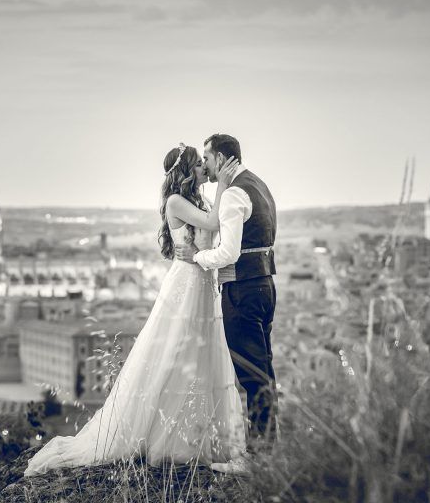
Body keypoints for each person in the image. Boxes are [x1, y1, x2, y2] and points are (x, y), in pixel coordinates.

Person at [23, 143, 245, 477]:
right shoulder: (176, 202)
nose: (203, 167)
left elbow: (210, 229)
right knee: (176, 351)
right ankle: (169, 439)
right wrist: (226, 183)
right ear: (185, 171)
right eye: (198, 163)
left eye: (204, 162)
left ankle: (198, 438)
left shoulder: (194, 200)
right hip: (186, 283)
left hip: (200, 281)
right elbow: (214, 222)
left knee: (197, 355)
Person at [176, 133, 278, 475]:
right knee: (264, 372)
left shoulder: (235, 193)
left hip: (242, 290)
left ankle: (257, 459)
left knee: (252, 377)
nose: (204, 165)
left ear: (220, 158)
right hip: (265, 286)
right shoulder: (259, 185)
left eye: (207, 158)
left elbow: (228, 252)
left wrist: (197, 256)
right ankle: (268, 453)